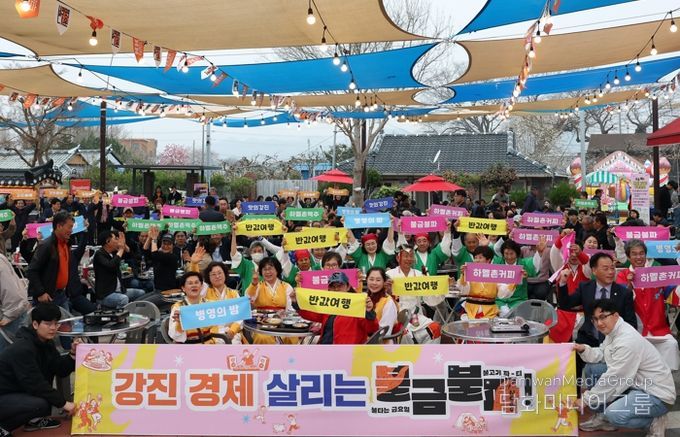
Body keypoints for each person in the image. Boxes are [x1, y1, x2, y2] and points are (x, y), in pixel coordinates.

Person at [573, 299, 675, 435]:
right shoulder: (614, 331)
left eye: (603, 317)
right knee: (592, 369)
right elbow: (604, 354)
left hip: (656, 395)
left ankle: (654, 421)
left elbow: (615, 377)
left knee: (614, 414)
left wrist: (586, 400)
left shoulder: (627, 341)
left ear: (615, 316)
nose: (599, 323)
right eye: (595, 319)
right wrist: (583, 349)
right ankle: (602, 418)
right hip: (636, 383)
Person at [0, 303, 78, 434]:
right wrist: (64, 403)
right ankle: (3, 428)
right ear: (35, 324)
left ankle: (33, 421)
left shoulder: (46, 343)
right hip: (4, 395)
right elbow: (35, 384)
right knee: (40, 404)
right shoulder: (22, 348)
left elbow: (60, 369)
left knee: (44, 401)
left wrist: (72, 354)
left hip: (17, 391)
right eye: (48, 324)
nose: (53, 328)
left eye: (56, 323)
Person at [615, 239, 680, 370]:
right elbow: (621, 301)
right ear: (628, 257)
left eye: (641, 253)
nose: (638, 257)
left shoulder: (657, 273)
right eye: (634, 254)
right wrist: (629, 285)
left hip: (659, 330)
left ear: (646, 255)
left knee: (672, 345)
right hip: (635, 331)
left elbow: (673, 293)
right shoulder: (622, 275)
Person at [292, 272, 379, 344]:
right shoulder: (327, 305)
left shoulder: (358, 305)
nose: (336, 289)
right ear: (329, 289)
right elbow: (311, 314)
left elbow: (372, 330)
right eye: (333, 286)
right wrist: (296, 302)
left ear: (348, 287)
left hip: (347, 353)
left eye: (339, 285)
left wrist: (369, 312)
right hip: (324, 348)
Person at [93, 231, 146, 309]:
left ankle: (133, 312)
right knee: (123, 299)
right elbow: (111, 265)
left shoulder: (113, 253)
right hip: (106, 294)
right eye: (115, 239)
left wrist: (124, 245)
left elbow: (132, 256)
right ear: (108, 241)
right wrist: (121, 249)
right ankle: (119, 316)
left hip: (120, 290)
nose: (117, 241)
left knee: (141, 293)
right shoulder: (99, 254)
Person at [169, 272, 224, 344]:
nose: (194, 285)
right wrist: (180, 324)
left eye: (196, 282)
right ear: (183, 288)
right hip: (187, 347)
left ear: (201, 286)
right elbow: (174, 336)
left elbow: (220, 328)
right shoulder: (178, 308)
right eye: (190, 283)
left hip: (209, 345)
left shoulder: (210, 305)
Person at [0, 251, 31, 351]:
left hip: (10, 316)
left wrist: (8, 317)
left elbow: (13, 295)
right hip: (11, 311)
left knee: (7, 355)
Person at [366, 267, 399, 336]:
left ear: (384, 282)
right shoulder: (365, 297)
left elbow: (384, 331)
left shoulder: (388, 302)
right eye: (371, 279)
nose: (374, 283)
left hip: (378, 340)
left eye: (378, 280)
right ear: (366, 280)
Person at [145, 226, 179, 292]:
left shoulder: (173, 257)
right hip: (157, 289)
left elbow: (155, 254)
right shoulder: (159, 254)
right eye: (164, 243)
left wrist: (154, 239)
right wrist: (149, 237)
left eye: (169, 244)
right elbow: (145, 250)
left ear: (173, 246)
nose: (166, 246)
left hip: (168, 291)